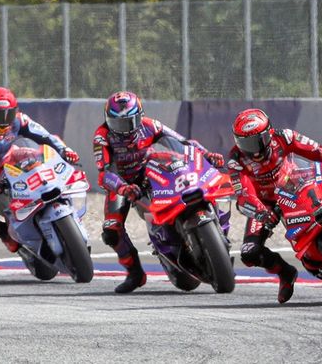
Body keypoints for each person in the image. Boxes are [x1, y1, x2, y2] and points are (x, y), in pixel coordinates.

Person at [94, 91, 224, 294]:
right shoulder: (102, 137)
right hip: (123, 183)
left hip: (152, 171)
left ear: (139, 116)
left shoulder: (150, 125)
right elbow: (104, 174)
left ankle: (216, 223)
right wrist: (122, 187)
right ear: (108, 120)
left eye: (129, 122)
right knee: (111, 230)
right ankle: (135, 274)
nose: (124, 130)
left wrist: (207, 155)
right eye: (118, 124)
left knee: (196, 181)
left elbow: (183, 143)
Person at [222, 108, 322, 304]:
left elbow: (319, 150)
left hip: (297, 183)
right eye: (245, 143)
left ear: (268, 133)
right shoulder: (236, 161)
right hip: (267, 204)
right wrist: (260, 212)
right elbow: (244, 196)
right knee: (249, 253)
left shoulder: (284, 136)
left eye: (256, 141)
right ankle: (286, 273)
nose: (253, 149)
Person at [0, 86, 80, 253]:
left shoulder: (20, 120)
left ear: (14, 111)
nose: (2, 121)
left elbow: (47, 137)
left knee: (45, 161)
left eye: (7, 115)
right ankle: (3, 233)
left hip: (12, 160)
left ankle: (65, 203)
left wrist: (65, 150)